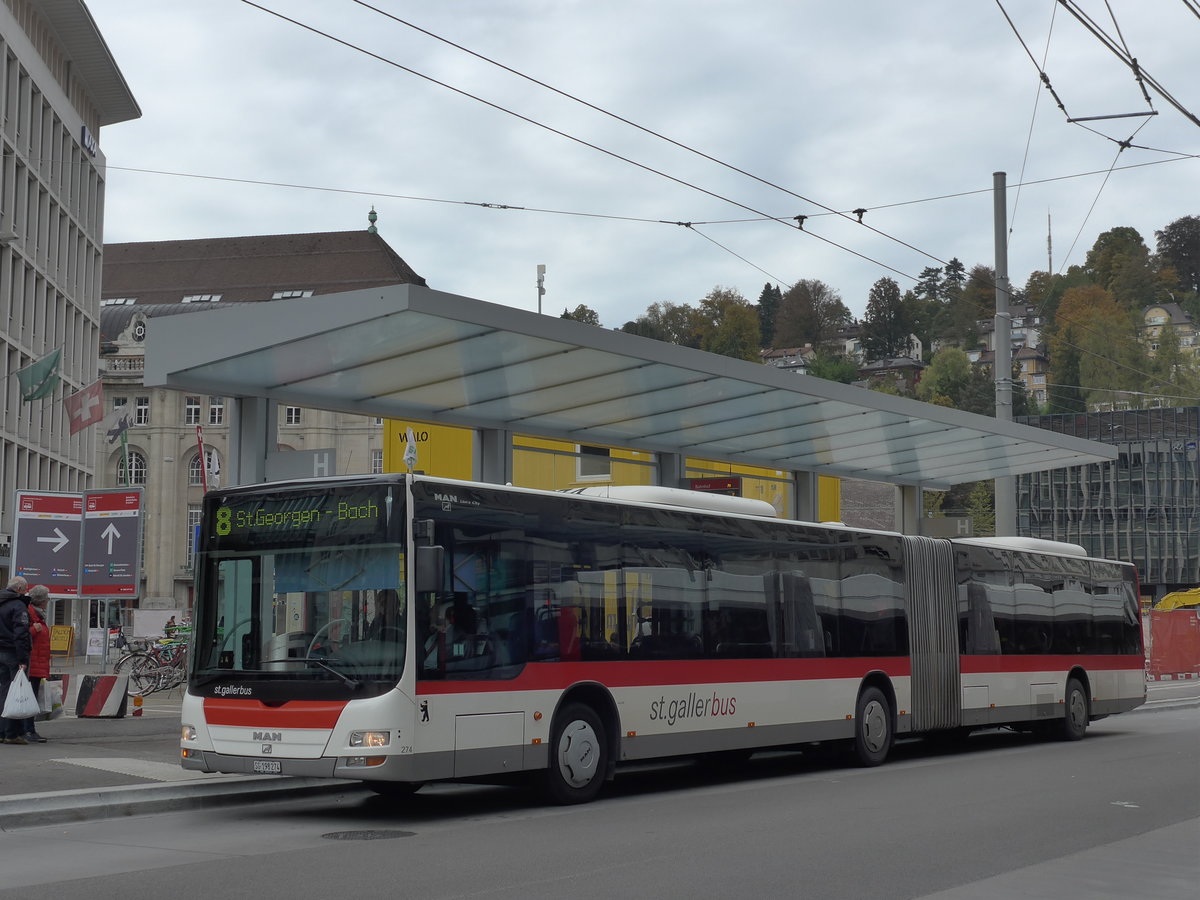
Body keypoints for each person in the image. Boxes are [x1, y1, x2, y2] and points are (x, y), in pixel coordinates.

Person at [0, 576, 32, 745]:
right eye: (25, 589)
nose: (26, 592)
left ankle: (1, 732)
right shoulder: (18, 606)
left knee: (4, 692)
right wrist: (23, 659)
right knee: (16, 694)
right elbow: (20, 634)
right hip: (13, 653)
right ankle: (12, 733)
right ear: (19, 589)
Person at [22, 585, 51, 743]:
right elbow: (21, 635)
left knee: (31, 697)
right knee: (29, 698)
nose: (48, 601)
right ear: (41, 600)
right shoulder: (30, 614)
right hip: (32, 663)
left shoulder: (38, 614)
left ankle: (29, 729)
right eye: (47, 598)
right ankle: (28, 730)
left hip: (37, 662)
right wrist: (34, 629)